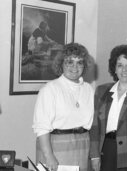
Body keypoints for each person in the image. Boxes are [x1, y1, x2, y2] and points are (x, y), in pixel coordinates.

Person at [32, 42, 94, 171]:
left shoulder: (88, 89)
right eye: (69, 62)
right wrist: (49, 156)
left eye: (79, 62)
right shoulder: (50, 89)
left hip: (83, 146)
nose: (75, 67)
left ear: (84, 66)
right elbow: (41, 127)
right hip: (56, 148)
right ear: (61, 64)